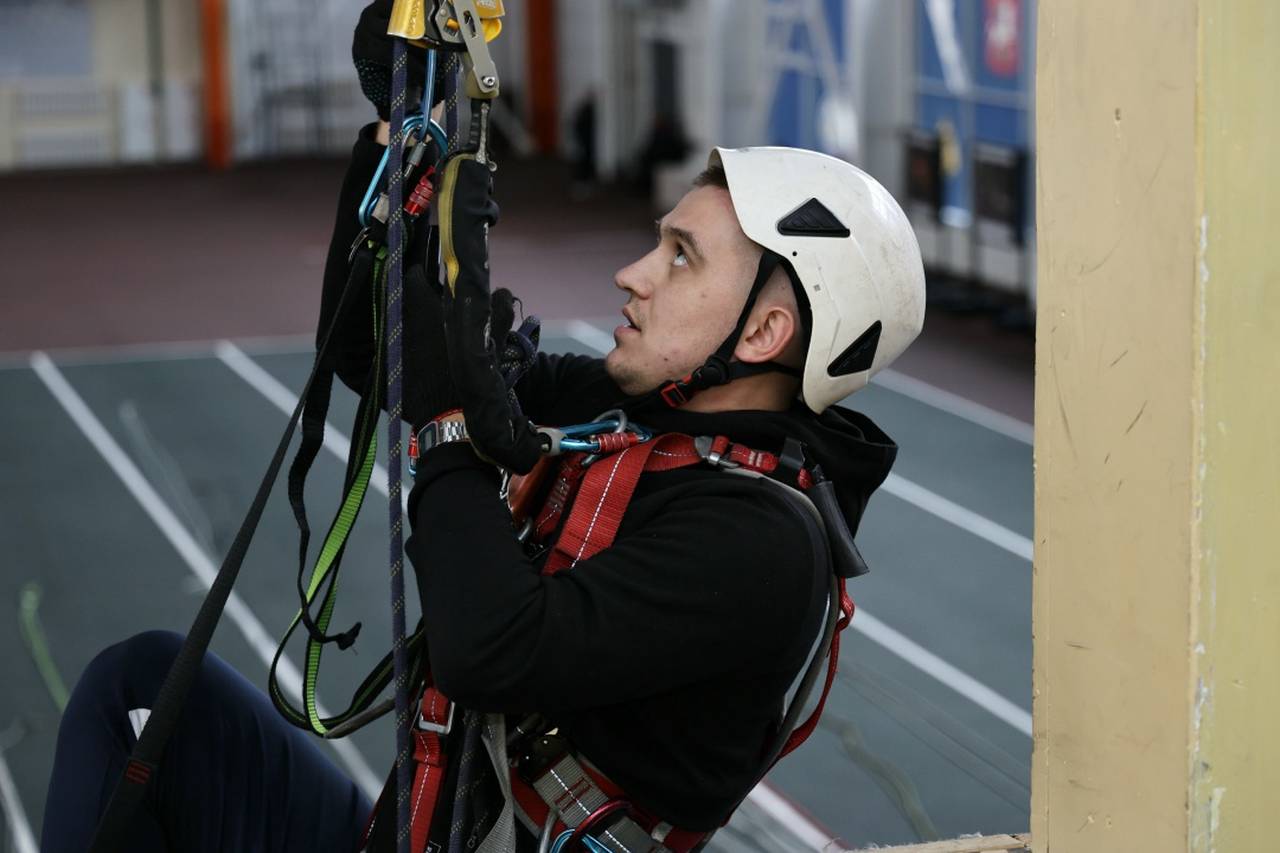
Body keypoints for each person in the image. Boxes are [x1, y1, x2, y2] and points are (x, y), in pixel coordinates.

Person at [42, 4, 925, 851]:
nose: (634, 273)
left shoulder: (763, 545)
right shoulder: (638, 414)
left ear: (764, 333)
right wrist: (404, 131)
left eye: (681, 257)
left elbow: (493, 649)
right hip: (412, 831)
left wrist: (449, 418)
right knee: (142, 686)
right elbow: (371, 349)